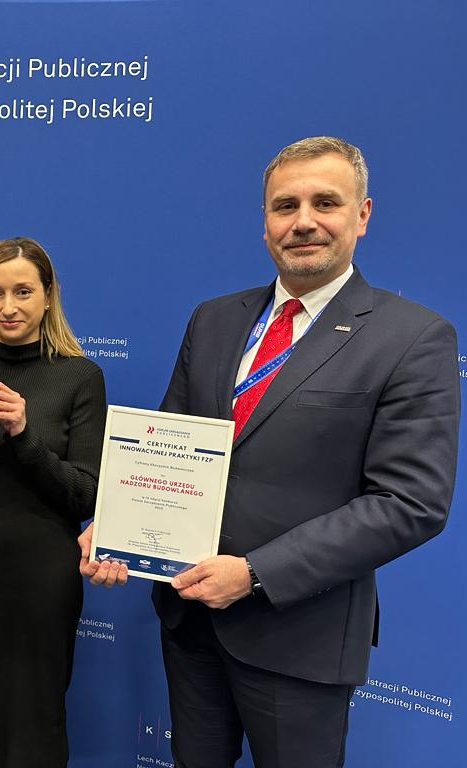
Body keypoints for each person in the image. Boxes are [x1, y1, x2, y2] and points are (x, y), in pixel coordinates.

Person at [80, 136, 460, 767]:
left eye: (325, 203)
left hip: (299, 635)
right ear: (265, 223)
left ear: (362, 214)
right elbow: (167, 445)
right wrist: (117, 523)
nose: (303, 221)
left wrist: (255, 573)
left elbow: (409, 502)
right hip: (190, 619)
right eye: (285, 206)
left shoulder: (412, 338)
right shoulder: (214, 320)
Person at [0, 237, 106, 767]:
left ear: (48, 295)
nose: (7, 307)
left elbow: (84, 494)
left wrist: (23, 432)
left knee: (35, 725)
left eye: (23, 291)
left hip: (42, 577)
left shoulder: (80, 376)